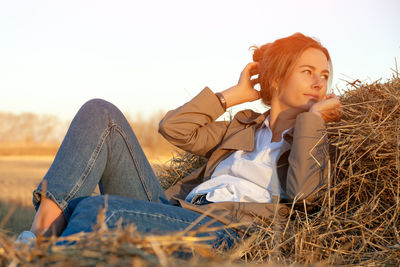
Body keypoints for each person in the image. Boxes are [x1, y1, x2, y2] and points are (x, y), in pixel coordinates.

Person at [17, 32, 341, 248]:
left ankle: (46, 254)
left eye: (324, 75)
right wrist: (232, 96)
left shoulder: (310, 137)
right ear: (276, 76)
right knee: (100, 113)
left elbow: (305, 197)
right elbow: (174, 129)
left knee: (95, 210)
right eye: (307, 71)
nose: (318, 82)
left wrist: (311, 123)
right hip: (176, 211)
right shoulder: (242, 128)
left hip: (222, 234)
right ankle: (39, 234)